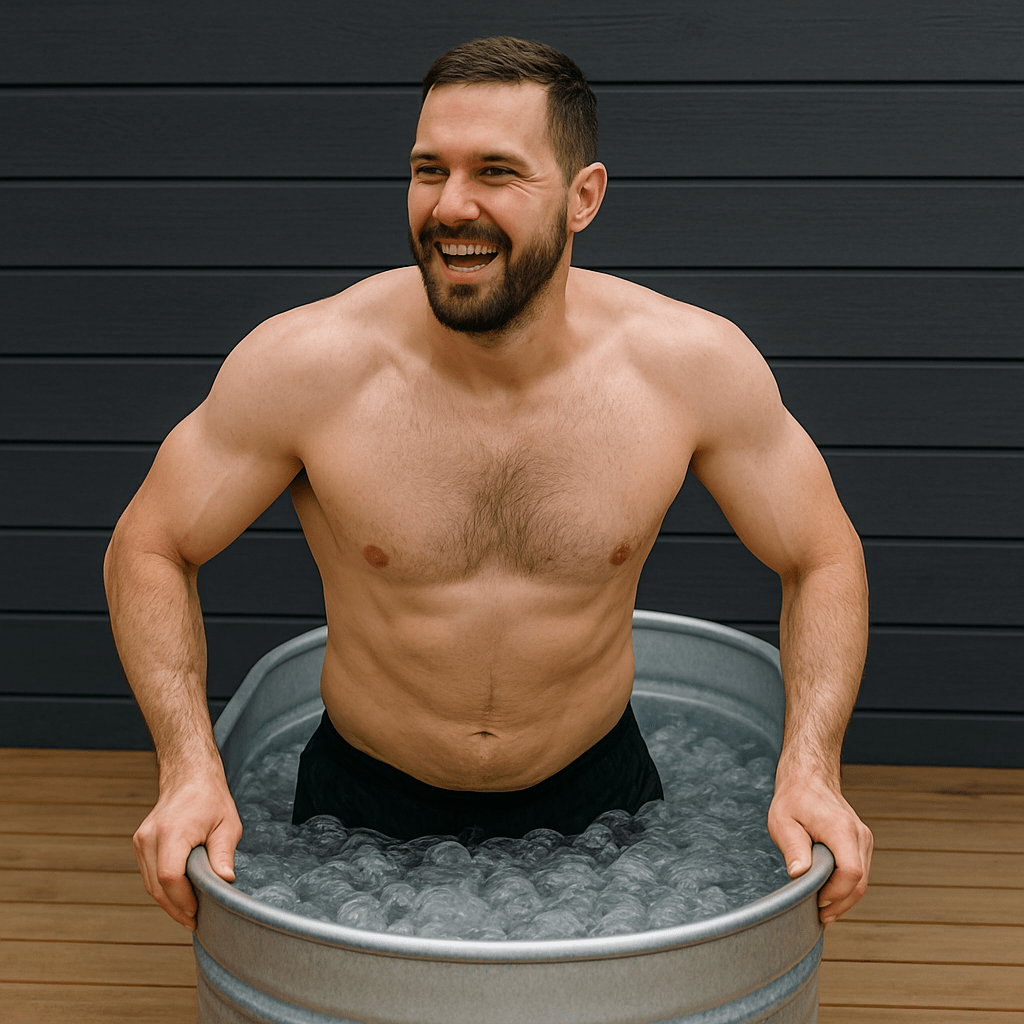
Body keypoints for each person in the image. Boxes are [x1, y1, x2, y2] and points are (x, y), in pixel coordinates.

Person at [104, 36, 872, 933]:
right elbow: (149, 543)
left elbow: (823, 555)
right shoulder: (307, 365)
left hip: (602, 796)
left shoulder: (688, 365)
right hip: (358, 806)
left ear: (584, 198)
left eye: (497, 172)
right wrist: (189, 765)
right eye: (429, 170)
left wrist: (811, 768)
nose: (451, 206)